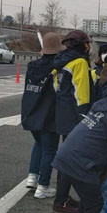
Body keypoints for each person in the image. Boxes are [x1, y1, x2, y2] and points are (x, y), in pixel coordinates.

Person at [52, 30, 95, 213]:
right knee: (70, 161)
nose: (89, 46)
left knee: (66, 155)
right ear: (83, 45)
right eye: (87, 43)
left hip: (62, 113)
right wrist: (84, 118)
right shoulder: (79, 62)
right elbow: (81, 93)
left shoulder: (61, 61)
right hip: (75, 116)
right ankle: (60, 201)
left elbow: (56, 85)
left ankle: (62, 198)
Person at [21, 32, 64, 198]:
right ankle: (43, 187)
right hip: (48, 114)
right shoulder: (57, 69)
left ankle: (32, 177)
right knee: (49, 150)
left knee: (38, 144)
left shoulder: (32, 66)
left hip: (30, 112)